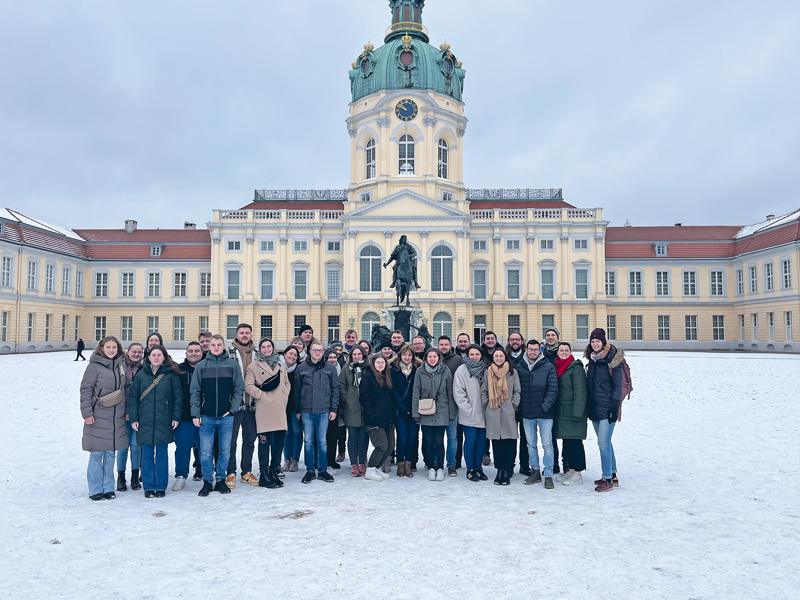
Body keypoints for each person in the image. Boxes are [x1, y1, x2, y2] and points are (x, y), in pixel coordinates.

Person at [190, 334, 244, 496]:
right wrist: (196, 413)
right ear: (209, 346)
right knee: (205, 451)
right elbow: (195, 391)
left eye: (219, 344)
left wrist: (233, 408)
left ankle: (220, 479)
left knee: (225, 450)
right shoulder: (201, 366)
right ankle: (207, 480)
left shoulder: (232, 365)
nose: (216, 347)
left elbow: (239, 389)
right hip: (206, 416)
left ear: (223, 346)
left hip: (226, 416)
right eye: (213, 344)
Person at [129, 345, 182, 498]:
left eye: (159, 355)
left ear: (164, 357)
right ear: (149, 357)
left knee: (161, 454)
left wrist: (175, 417)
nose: (156, 357)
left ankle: (160, 486)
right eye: (154, 355)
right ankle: (148, 486)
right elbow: (133, 398)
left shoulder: (170, 375)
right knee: (146, 455)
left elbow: (177, 398)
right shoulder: (141, 375)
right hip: (144, 420)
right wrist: (134, 418)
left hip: (163, 420)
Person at [80, 336, 128, 500]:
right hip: (98, 415)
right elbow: (86, 390)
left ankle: (108, 487)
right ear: (101, 348)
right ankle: (95, 489)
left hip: (117, 416)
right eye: (108, 347)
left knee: (110, 453)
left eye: (114, 347)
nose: (111, 350)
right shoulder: (94, 367)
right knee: (96, 454)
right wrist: (87, 413)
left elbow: (126, 389)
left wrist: (127, 411)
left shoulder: (121, 364)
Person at [244, 337, 291, 489]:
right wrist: (263, 396)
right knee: (264, 443)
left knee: (278, 444)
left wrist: (284, 394)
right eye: (263, 347)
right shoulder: (254, 366)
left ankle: (274, 471)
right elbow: (248, 386)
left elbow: (287, 382)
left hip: (279, 408)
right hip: (264, 409)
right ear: (260, 349)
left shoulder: (280, 364)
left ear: (273, 347)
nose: (266, 349)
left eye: (269, 346)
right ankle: (264, 473)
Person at [585, 328, 624, 493]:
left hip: (607, 409)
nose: (595, 344)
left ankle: (607, 478)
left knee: (602, 443)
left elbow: (618, 386)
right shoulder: (592, 360)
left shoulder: (614, 361)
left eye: (598, 341)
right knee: (606, 443)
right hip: (594, 408)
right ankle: (613, 475)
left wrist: (613, 408)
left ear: (604, 342)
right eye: (593, 341)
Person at [294, 341, 339, 483]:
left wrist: (333, 408)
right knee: (308, 440)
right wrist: (297, 410)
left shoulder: (330, 368)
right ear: (310, 351)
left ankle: (323, 469)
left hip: (324, 410)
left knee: (322, 441)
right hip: (306, 410)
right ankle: (310, 470)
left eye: (320, 350)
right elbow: (296, 391)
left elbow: (335, 390)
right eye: (315, 350)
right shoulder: (301, 368)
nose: (317, 353)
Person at [518, 339, 558, 489]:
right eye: (531, 349)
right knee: (531, 444)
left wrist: (545, 406)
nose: (533, 352)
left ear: (540, 351)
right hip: (527, 413)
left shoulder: (548, 367)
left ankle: (548, 474)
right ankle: (535, 471)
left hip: (544, 414)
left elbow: (553, 390)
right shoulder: (520, 367)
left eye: (536, 349)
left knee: (547, 444)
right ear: (526, 350)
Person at [412, 348, 456, 482]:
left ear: (439, 358)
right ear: (426, 358)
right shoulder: (420, 371)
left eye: (434, 357)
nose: (432, 359)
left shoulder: (446, 371)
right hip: (425, 410)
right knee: (428, 441)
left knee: (439, 441)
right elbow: (416, 392)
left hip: (442, 410)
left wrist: (451, 413)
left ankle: (441, 468)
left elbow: (450, 393)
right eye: (429, 356)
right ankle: (431, 467)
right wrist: (416, 413)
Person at [481, 348, 521, 486]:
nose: (498, 358)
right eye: (496, 356)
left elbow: (517, 391)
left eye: (501, 356)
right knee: (496, 444)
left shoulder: (512, 372)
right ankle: (499, 471)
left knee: (509, 443)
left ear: (505, 357)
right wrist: (487, 405)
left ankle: (507, 471)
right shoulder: (488, 371)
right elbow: (484, 391)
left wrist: (513, 405)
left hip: (508, 412)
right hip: (493, 412)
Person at [226, 323, 258, 489]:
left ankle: (246, 471)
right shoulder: (228, 352)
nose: (245, 335)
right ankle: (230, 472)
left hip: (252, 405)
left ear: (251, 335)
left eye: (247, 333)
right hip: (235, 405)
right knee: (231, 441)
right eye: (242, 333)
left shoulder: (257, 354)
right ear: (237, 335)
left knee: (250, 440)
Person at [554, 342, 589, 486]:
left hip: (574, 411)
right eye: (561, 350)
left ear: (570, 351)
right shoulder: (559, 366)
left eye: (566, 350)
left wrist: (577, 413)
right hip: (563, 410)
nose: (563, 352)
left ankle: (578, 473)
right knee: (567, 441)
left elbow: (580, 392)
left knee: (575, 442)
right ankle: (571, 470)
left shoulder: (575, 368)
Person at [453, 344, 488, 482]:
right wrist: (468, 410)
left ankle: (478, 468)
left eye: (477, 354)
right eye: (472, 354)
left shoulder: (485, 369)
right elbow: (458, 393)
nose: (474, 357)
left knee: (481, 442)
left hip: (484, 413)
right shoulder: (462, 370)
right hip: (470, 414)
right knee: (470, 441)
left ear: (481, 355)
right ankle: (470, 469)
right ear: (467, 355)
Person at [359, 355, 395, 482]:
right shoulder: (368, 377)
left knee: (390, 446)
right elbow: (363, 397)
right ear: (373, 364)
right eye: (378, 362)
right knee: (382, 446)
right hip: (374, 418)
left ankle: (377, 468)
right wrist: (371, 413)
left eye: (383, 362)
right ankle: (371, 468)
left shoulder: (388, 377)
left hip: (388, 418)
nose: (380, 364)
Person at [173, 342, 203, 490]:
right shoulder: (179, 370)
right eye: (190, 351)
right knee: (183, 447)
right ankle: (181, 476)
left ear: (202, 352)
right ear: (186, 353)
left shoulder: (207, 368)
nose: (194, 353)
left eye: (197, 351)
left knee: (206, 448)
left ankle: (208, 474)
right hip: (185, 417)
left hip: (205, 416)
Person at [116, 342, 144, 492]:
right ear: (128, 352)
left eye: (139, 352)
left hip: (138, 413)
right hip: (121, 412)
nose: (136, 354)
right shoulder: (120, 367)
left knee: (135, 445)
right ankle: (121, 476)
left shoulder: (144, 368)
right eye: (134, 351)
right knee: (122, 447)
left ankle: (135, 476)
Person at [391, 344, 421, 478]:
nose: (407, 357)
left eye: (409, 355)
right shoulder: (394, 370)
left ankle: (408, 464)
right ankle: (400, 464)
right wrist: (402, 406)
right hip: (400, 410)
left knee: (411, 438)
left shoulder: (417, 370)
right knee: (402, 438)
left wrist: (413, 406)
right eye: (404, 355)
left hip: (414, 409)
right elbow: (393, 390)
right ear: (400, 356)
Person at [339, 346, 368, 476]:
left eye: (359, 354)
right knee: (353, 437)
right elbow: (342, 386)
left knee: (363, 436)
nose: (357, 356)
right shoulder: (346, 369)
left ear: (363, 355)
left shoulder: (368, 367)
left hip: (365, 406)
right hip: (350, 407)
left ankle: (362, 462)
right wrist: (347, 398)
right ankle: (353, 464)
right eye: (354, 354)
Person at [505, 332, 531, 477]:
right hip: (509, 404)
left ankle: (525, 465)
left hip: (526, 402)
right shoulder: (504, 358)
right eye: (512, 339)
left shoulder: (528, 358)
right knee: (510, 437)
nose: (515, 342)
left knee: (526, 437)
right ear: (509, 342)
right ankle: (510, 466)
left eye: (517, 339)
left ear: (522, 342)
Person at [439, 335, 463, 477]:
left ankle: (451, 463)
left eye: (446, 345)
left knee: (452, 437)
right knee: (438, 437)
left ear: (450, 346)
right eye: (441, 345)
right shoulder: (433, 358)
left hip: (453, 404)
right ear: (438, 346)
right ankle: (437, 462)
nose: (444, 347)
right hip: (438, 405)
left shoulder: (458, 360)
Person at [541, 326, 565, 474]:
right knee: (550, 434)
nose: (550, 337)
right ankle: (554, 463)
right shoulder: (542, 354)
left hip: (562, 397)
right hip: (548, 398)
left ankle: (567, 463)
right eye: (548, 335)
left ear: (557, 336)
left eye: (553, 335)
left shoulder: (562, 352)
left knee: (565, 433)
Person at [281, 346, 303, 472]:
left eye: (295, 355)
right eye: (291, 353)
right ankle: (286, 460)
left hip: (295, 405)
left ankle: (295, 460)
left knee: (296, 432)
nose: (293, 357)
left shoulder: (298, 369)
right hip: (281, 405)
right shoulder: (279, 367)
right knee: (286, 433)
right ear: (284, 353)